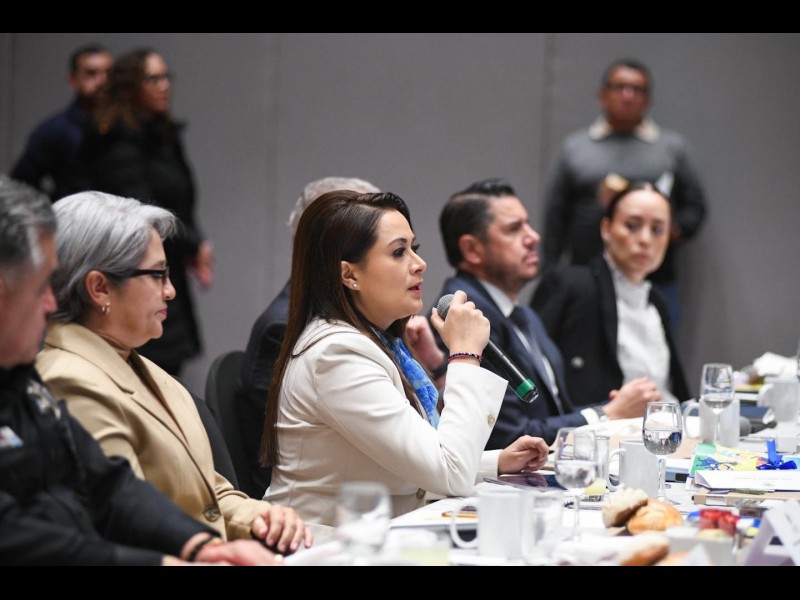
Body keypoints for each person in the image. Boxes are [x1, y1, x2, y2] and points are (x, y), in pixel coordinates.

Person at [0, 176, 280, 565]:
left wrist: (201, 546)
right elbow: (22, 534)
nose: (51, 303)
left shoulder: (23, 379)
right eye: (40, 286)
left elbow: (110, 484)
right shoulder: (64, 375)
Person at [261, 190, 549, 526]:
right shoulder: (337, 356)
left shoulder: (379, 342)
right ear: (350, 275)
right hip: (326, 546)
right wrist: (465, 354)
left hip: (381, 536)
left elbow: (421, 460)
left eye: (415, 248)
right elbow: (449, 472)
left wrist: (495, 463)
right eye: (399, 252)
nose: (419, 263)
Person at [437, 178, 660, 449]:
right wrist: (607, 414)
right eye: (513, 229)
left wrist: (613, 408)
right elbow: (508, 435)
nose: (533, 237)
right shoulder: (466, 318)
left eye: (527, 224)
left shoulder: (522, 314)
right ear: (472, 250)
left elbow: (555, 411)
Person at [237, 176, 380, 498]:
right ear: (329, 247)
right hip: (321, 510)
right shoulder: (291, 329)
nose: (416, 264)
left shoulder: (358, 320)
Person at [540, 58, 707, 328]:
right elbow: (556, 216)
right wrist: (550, 272)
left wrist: (666, 230)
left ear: (648, 100)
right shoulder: (576, 148)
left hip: (654, 281)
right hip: (586, 276)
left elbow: (695, 207)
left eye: (637, 89)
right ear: (602, 95)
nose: (628, 96)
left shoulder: (671, 148)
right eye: (619, 87)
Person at [81, 47, 212, 376]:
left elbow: (181, 200)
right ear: (131, 86)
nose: (164, 85)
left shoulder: (163, 135)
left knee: (166, 369)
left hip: (166, 263)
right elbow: (140, 213)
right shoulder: (116, 140)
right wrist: (193, 245)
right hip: (131, 272)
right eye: (153, 79)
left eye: (166, 77)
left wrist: (196, 243)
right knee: (142, 363)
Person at [532, 181, 690, 409]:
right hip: (599, 427)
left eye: (657, 230)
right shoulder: (571, 286)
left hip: (668, 424)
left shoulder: (657, 301)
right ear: (606, 228)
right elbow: (532, 373)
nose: (645, 240)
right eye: (632, 225)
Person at [11, 44, 113, 202]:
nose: (102, 80)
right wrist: (51, 210)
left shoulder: (128, 126)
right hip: (75, 215)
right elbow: (21, 183)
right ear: (73, 80)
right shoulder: (55, 130)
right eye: (91, 73)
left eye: (109, 73)